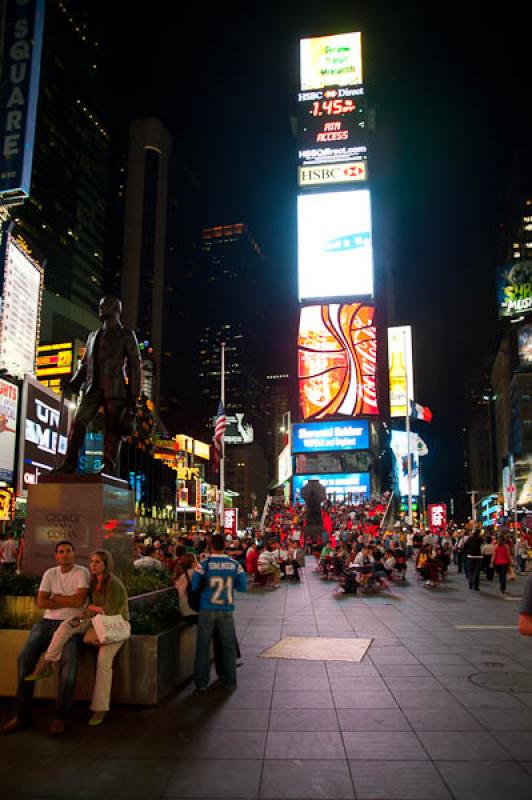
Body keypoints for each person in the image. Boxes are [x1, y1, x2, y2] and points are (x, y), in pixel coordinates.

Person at [24, 550, 128, 726]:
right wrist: (87, 610)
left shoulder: (114, 584)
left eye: (97, 562)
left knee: (103, 662)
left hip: (115, 625)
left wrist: (92, 608)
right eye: (91, 562)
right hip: (94, 620)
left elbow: (109, 610)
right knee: (66, 626)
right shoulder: (93, 582)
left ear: (106, 565)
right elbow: (81, 603)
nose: (93, 565)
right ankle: (46, 663)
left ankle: (100, 709)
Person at [2, 540, 89, 736]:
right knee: (25, 658)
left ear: (74, 554)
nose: (65, 554)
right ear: (56, 556)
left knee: (69, 666)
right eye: (61, 552)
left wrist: (55, 598)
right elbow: (41, 601)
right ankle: (21, 714)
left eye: (68, 551)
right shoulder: (50, 573)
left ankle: (60, 717)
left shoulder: (81, 573)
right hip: (46, 622)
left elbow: (79, 601)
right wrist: (65, 600)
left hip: (70, 625)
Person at [55, 296, 142, 475]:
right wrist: (72, 385)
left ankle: (108, 466)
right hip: (92, 389)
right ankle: (69, 464)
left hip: (116, 389)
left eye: (105, 306)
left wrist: (134, 397)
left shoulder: (126, 334)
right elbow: (85, 365)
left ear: (117, 309)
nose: (100, 308)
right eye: (100, 305)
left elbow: (135, 365)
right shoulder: (93, 336)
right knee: (78, 421)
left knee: (113, 429)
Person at [192, 534, 247, 691]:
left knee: (203, 647)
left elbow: (195, 586)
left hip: (206, 609)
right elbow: (243, 586)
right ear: (225, 545)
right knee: (228, 648)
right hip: (226, 611)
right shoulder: (235, 565)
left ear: (210, 546)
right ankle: (230, 682)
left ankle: (202, 683)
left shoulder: (204, 564)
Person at [174, 553, 199, 622]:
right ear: (192, 562)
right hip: (192, 609)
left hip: (183, 608)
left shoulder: (182, 575)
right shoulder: (192, 573)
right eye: (196, 560)